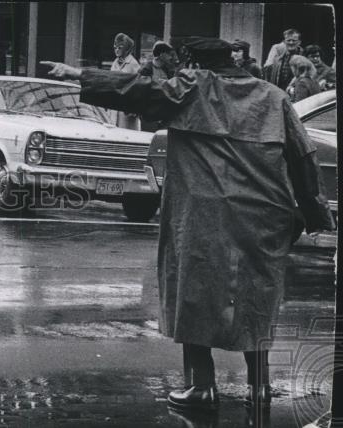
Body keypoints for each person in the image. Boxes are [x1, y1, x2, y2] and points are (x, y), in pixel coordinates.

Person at [41, 37, 336, 412]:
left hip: (202, 214)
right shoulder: (273, 96)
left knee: (194, 292)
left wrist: (80, 74)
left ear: (195, 64)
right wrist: (313, 214)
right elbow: (304, 155)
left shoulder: (192, 88)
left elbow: (134, 89)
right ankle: (259, 388)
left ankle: (201, 387)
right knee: (256, 298)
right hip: (265, 215)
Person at [110, 33, 140, 130]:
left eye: (120, 47)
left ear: (126, 48)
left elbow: (139, 89)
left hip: (127, 110)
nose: (117, 50)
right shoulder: (115, 63)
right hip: (114, 107)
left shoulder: (134, 64)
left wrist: (134, 108)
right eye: (115, 47)